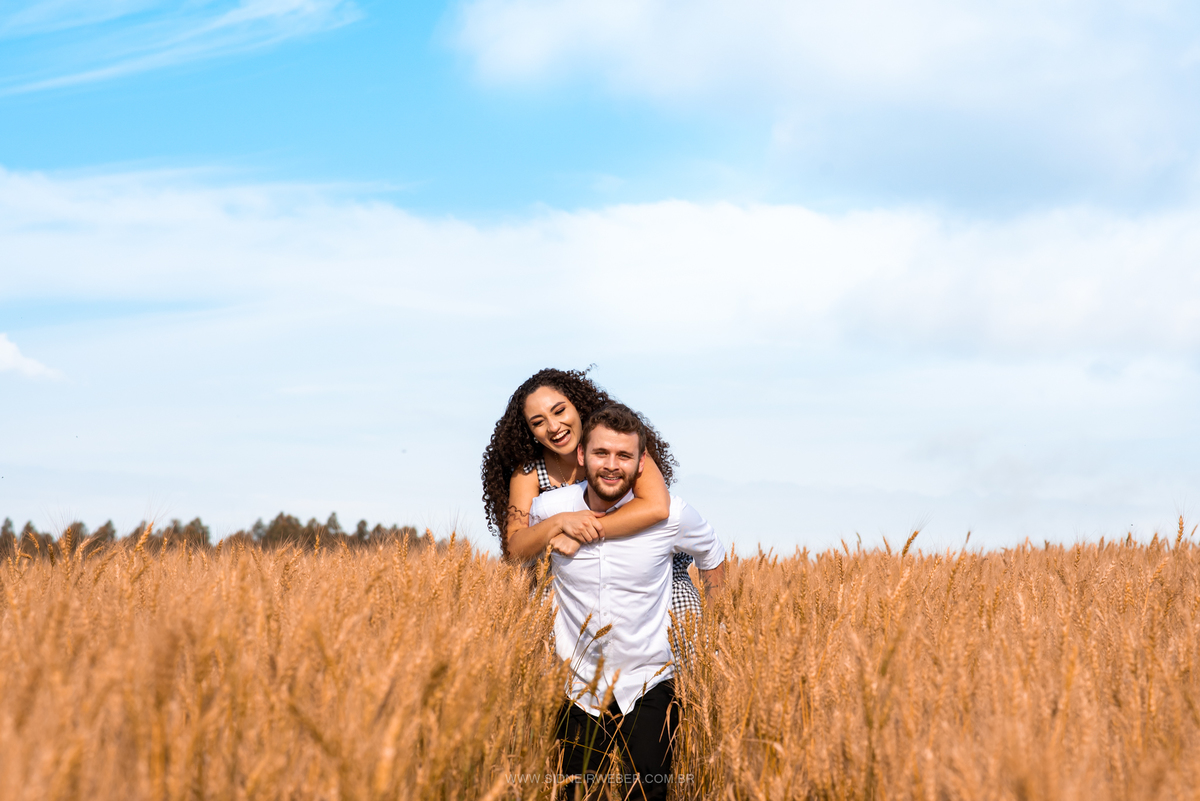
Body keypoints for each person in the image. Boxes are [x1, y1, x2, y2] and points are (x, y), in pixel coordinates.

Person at [530, 403, 726, 801]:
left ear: (641, 463)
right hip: (575, 687)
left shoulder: (672, 516)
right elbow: (528, 569)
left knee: (649, 795)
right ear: (581, 455)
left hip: (649, 683)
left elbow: (713, 555)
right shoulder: (548, 510)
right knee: (577, 795)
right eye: (601, 453)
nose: (611, 465)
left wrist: (716, 624)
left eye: (624, 455)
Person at [481, 368, 703, 629]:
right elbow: (514, 550)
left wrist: (579, 533)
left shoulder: (617, 447)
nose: (553, 427)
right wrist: (560, 522)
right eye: (538, 422)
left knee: (684, 631)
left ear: (578, 406)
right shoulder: (529, 473)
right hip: (571, 583)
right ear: (529, 431)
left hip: (648, 575)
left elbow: (657, 507)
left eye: (559, 411)